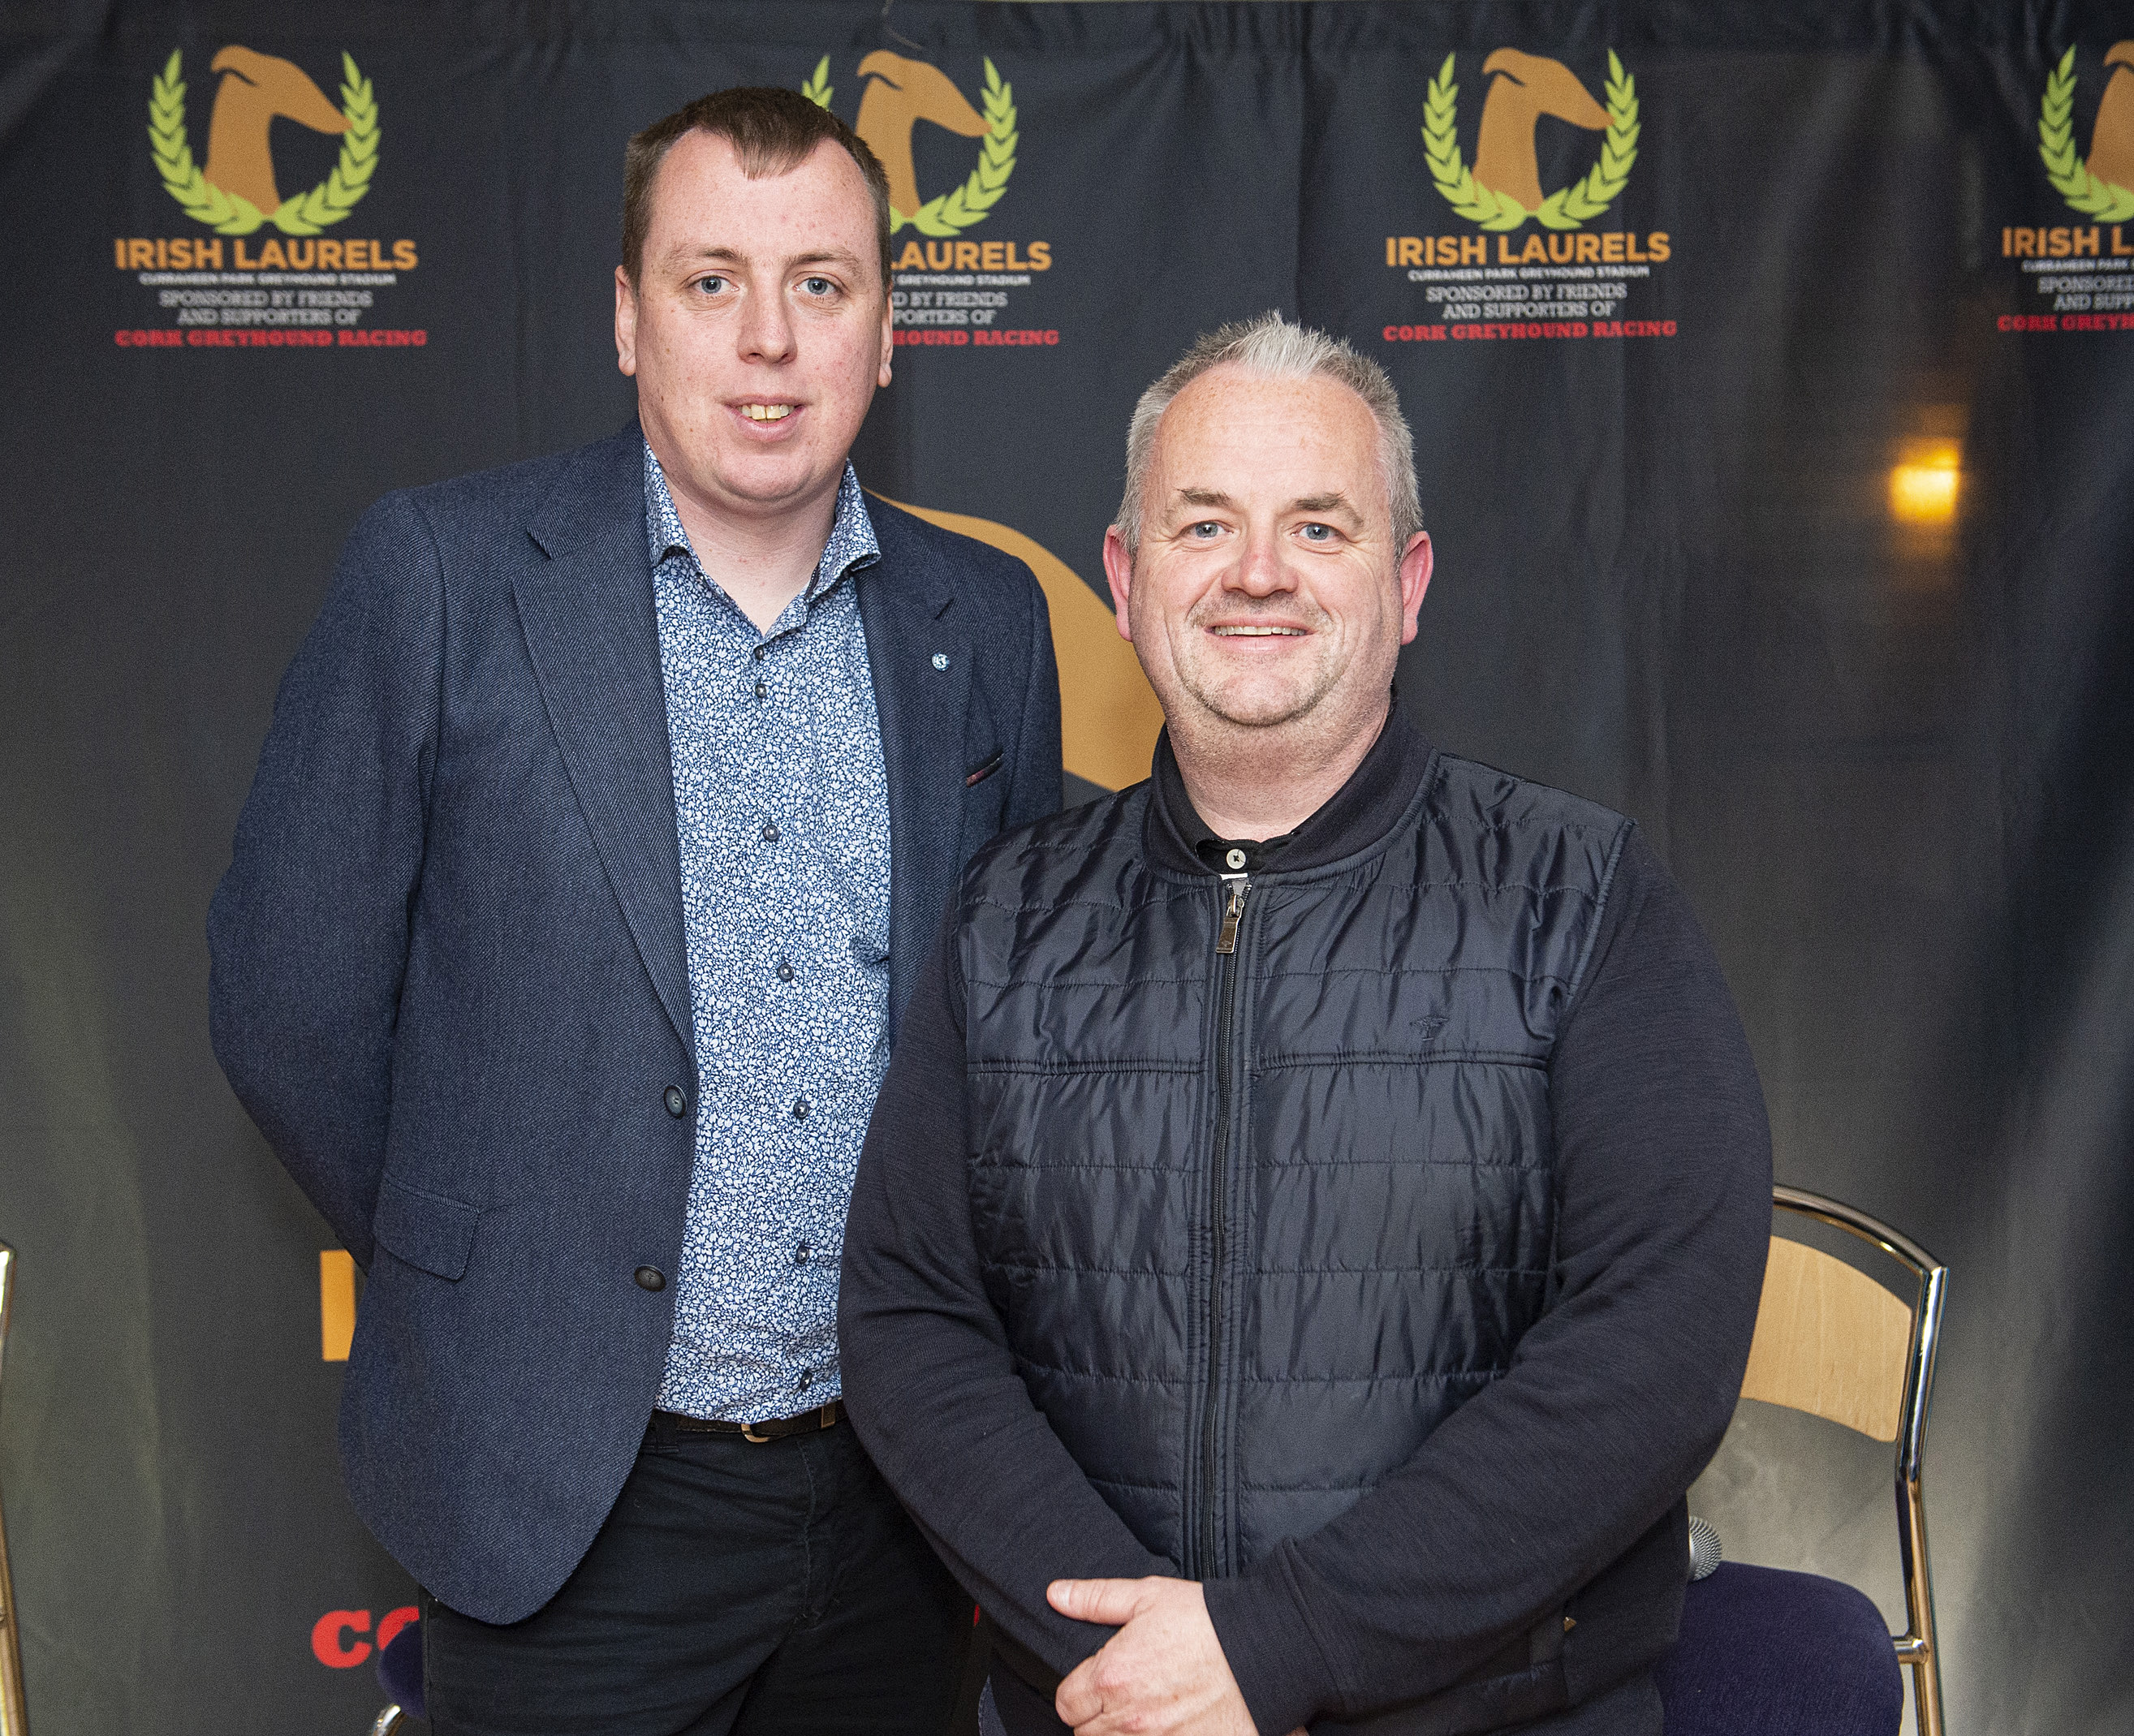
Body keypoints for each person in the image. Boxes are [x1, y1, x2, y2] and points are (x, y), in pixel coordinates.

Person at [209, 87, 1060, 1736]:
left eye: (820, 283)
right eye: (709, 279)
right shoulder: (442, 577)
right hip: (572, 1495)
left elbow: (1012, 1032)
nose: (767, 339)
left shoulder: (988, 616)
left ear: (888, 330)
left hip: (898, 1500)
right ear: (625, 316)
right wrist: (499, 1261)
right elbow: (287, 997)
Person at [839, 313, 1772, 1736]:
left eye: (1318, 527)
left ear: (1406, 583)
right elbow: (911, 1319)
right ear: (1125, 579)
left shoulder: (1580, 898)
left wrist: (1276, 1647)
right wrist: (1138, 1657)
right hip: (1100, 1707)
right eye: (1203, 523)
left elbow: (1654, 1347)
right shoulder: (1005, 919)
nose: (1258, 571)